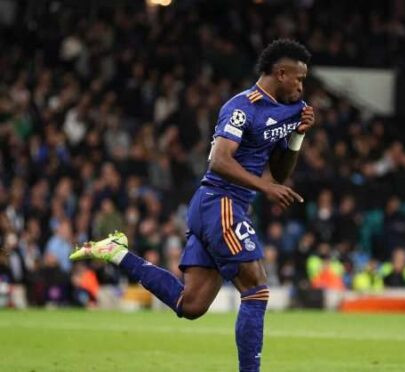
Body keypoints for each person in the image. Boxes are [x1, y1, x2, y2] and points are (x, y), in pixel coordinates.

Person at [70, 39, 315, 372]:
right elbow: (219, 161)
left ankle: (117, 253)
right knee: (256, 290)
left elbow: (278, 173)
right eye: (299, 78)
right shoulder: (241, 108)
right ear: (280, 73)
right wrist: (265, 188)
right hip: (221, 202)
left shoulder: (291, 111)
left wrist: (297, 137)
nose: (302, 86)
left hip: (217, 207)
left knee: (192, 305)